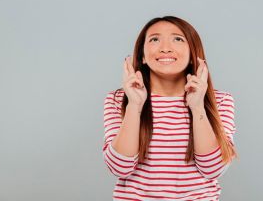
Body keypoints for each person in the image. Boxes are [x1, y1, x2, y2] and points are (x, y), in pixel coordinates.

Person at [102, 16, 238, 200]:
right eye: (154, 39)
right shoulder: (119, 100)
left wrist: (197, 106)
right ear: (142, 54)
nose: (165, 48)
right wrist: (135, 105)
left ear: (193, 54)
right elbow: (120, 168)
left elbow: (213, 169)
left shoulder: (220, 101)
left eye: (178, 39)